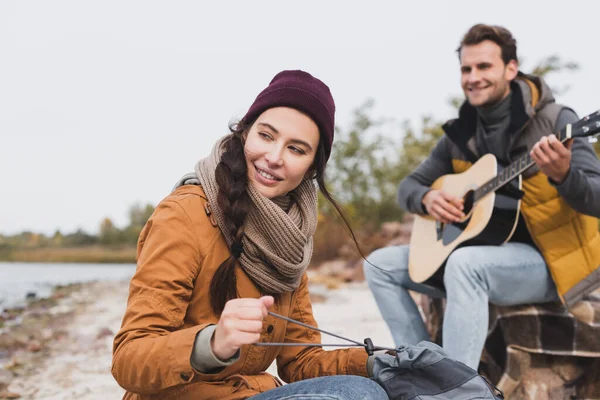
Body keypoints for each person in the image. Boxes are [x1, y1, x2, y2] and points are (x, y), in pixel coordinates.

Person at [111, 70, 389, 400]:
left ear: (313, 167)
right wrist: (210, 344)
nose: (273, 158)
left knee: (372, 387)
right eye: (266, 136)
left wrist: (379, 362)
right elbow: (128, 357)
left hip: (247, 395)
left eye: (296, 149)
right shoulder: (184, 215)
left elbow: (300, 361)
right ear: (245, 133)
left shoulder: (291, 237)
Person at [363, 24, 600, 370]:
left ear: (511, 69)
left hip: (552, 262)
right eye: (466, 69)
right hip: (488, 252)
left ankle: (457, 387)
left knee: (465, 265)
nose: (473, 77)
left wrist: (565, 176)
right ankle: (421, 367)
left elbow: (595, 197)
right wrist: (428, 198)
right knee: (380, 264)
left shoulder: (556, 121)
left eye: (484, 67)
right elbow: (408, 187)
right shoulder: (461, 133)